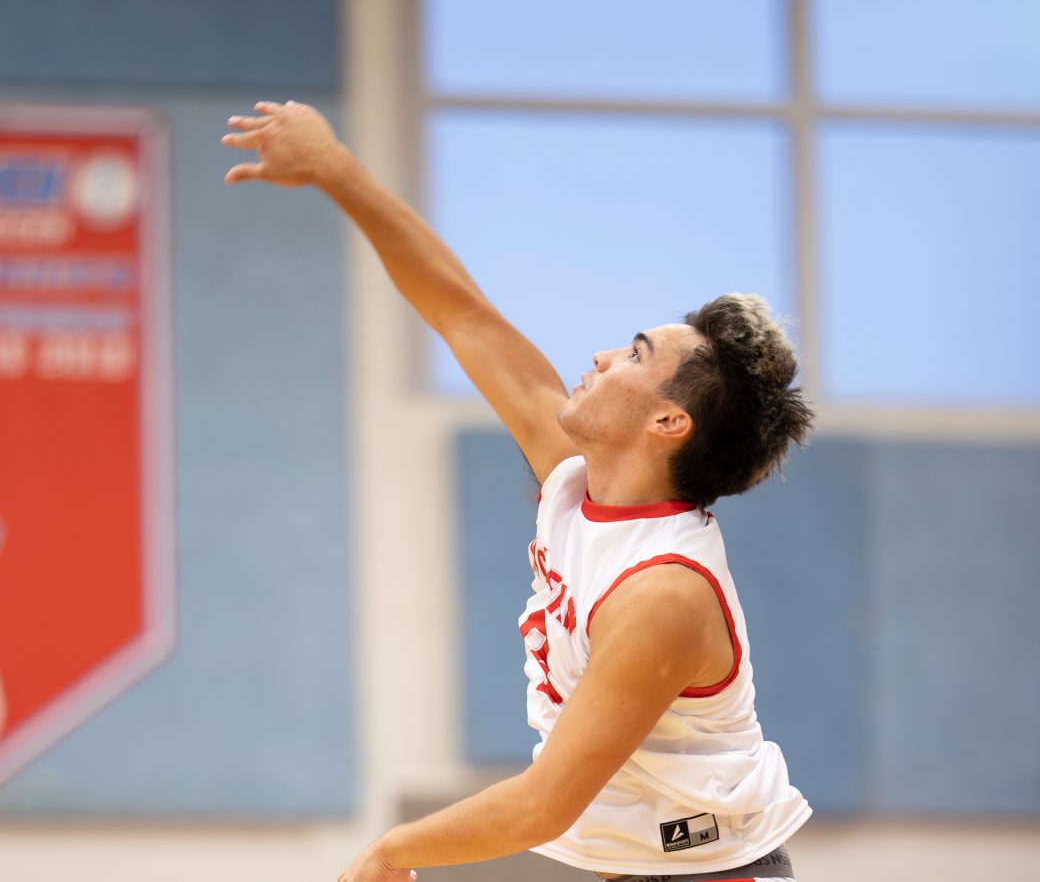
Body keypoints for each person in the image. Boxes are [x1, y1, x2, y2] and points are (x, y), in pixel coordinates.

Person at [222, 101, 815, 882]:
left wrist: (391, 848)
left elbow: (546, 801)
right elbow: (460, 313)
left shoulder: (663, 593)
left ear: (670, 420)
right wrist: (337, 171)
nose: (603, 354)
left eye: (635, 353)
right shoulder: (572, 471)